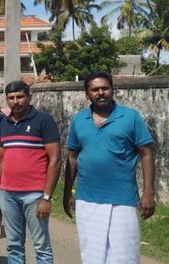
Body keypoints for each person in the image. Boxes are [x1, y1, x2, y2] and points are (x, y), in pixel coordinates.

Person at [63, 72, 156, 264]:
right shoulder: (79, 120)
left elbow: (146, 153)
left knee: (124, 256)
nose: (101, 93)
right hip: (87, 200)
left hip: (122, 200)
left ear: (112, 90)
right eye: (95, 89)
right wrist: (66, 193)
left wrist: (148, 193)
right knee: (92, 256)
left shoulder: (130, 117)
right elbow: (72, 157)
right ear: (87, 94)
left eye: (105, 88)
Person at [0, 80, 60, 264]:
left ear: (29, 97)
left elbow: (55, 160)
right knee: (13, 245)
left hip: (34, 195)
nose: (15, 101)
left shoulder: (44, 120)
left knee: (41, 246)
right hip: (7, 194)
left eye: (20, 97)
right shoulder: (4, 122)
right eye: (11, 98)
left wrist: (46, 197)